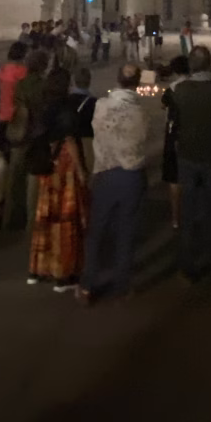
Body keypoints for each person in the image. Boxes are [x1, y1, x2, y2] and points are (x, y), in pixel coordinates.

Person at [79, 63, 149, 304]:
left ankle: (87, 285)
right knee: (126, 231)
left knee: (97, 231)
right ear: (137, 83)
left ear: (118, 80)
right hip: (131, 175)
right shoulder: (141, 111)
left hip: (105, 173)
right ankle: (121, 285)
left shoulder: (100, 106)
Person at [26, 69, 90, 290]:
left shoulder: (42, 105)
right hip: (64, 165)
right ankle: (63, 274)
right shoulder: (65, 108)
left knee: (45, 215)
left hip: (46, 162)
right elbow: (69, 139)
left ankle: (38, 268)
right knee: (66, 218)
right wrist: (81, 169)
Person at [169, 45, 211, 281]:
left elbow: (175, 122)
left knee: (188, 211)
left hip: (187, 155)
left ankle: (188, 263)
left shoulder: (179, 90)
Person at [4, 50, 49, 230]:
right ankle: (32, 221)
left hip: (20, 133)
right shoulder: (43, 86)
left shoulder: (21, 84)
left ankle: (11, 217)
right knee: (34, 180)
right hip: (37, 134)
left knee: (15, 176)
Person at [159, 54, 189, 230]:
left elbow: (164, 105)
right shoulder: (195, 87)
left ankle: (176, 218)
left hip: (174, 135)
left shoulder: (172, 89)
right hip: (192, 133)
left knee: (174, 179)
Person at [67, 67, 98, 174]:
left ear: (74, 82)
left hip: (70, 142)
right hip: (88, 142)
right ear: (89, 82)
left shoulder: (67, 100)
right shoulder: (94, 102)